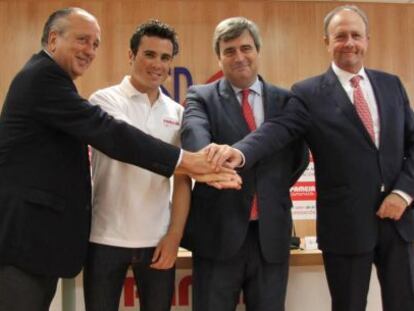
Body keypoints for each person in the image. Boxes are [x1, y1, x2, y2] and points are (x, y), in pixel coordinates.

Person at [0, 8, 240, 311]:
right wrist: (187, 160)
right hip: (41, 240)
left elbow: (176, 177)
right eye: (82, 40)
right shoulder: (52, 81)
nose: (89, 50)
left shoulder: (176, 112)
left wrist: (176, 228)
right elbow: (114, 136)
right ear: (52, 39)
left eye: (95, 44)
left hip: (51, 241)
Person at [208, 5, 414, 311]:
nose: (349, 42)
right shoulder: (308, 93)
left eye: (356, 35)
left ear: (367, 39)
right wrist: (239, 152)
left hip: (400, 224)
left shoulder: (392, 84)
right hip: (345, 227)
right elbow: (277, 130)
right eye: (340, 36)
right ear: (327, 42)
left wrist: (402, 192)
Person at [180, 17, 308, 311]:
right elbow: (195, 136)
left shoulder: (286, 100)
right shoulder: (201, 96)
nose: (239, 57)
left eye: (246, 48)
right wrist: (210, 160)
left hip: (271, 237)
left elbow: (297, 159)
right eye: (229, 50)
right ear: (219, 57)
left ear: (258, 51)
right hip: (217, 235)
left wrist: (267, 188)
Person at [83, 20, 191, 311]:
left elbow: (183, 180)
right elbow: (132, 145)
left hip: (158, 241)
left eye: (165, 57)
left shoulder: (179, 113)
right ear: (131, 56)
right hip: (105, 238)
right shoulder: (103, 101)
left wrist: (174, 236)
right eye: (149, 54)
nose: (157, 64)